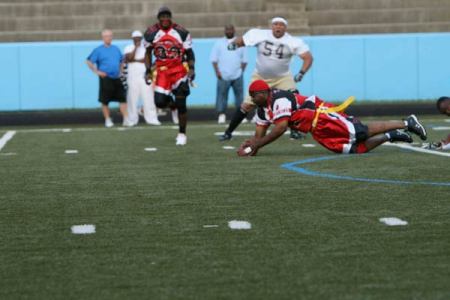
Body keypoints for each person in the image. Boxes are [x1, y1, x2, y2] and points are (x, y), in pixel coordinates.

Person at [237, 80, 428, 156]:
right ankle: (391, 135)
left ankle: (406, 122)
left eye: (259, 93)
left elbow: (280, 128)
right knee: (354, 149)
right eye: (255, 95)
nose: (256, 97)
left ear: (266, 92)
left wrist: (257, 145)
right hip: (315, 128)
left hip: (321, 116)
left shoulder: (279, 99)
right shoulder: (262, 109)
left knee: (361, 131)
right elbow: (259, 134)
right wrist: (251, 146)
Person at [219, 16, 313, 141]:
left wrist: (301, 72)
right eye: (276, 24)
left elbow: (308, 57)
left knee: (294, 100)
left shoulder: (292, 41)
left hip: (282, 77)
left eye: (281, 25)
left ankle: (295, 131)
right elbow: (243, 40)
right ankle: (228, 132)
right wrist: (235, 44)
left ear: (285, 27)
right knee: (246, 105)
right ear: (271, 26)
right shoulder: (260, 35)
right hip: (260, 77)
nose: (278, 27)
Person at [144, 6, 195, 145]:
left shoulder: (181, 32)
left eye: (167, 16)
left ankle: (182, 133)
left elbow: (190, 53)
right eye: (162, 16)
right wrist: (148, 70)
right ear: (158, 18)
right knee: (159, 102)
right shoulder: (151, 32)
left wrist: (192, 68)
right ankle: (173, 106)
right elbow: (148, 53)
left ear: (170, 17)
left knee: (182, 103)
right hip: (162, 71)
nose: (165, 19)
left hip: (179, 70)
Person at [86, 29, 130, 128]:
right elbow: (89, 61)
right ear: (103, 37)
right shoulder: (98, 50)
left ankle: (126, 119)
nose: (108, 38)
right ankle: (107, 119)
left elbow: (121, 60)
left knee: (122, 99)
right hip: (106, 78)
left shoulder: (116, 48)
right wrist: (97, 72)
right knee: (105, 100)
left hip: (117, 77)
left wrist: (121, 71)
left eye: (110, 36)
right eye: (106, 36)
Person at [210, 24, 248, 124]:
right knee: (221, 95)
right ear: (224, 31)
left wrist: (241, 72)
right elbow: (214, 59)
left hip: (237, 74)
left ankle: (241, 116)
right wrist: (217, 71)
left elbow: (244, 60)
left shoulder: (240, 42)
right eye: (227, 29)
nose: (229, 31)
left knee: (239, 96)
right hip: (223, 75)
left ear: (234, 30)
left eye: (231, 29)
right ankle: (221, 115)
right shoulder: (219, 43)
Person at [124, 30, 161, 126]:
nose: (137, 40)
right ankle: (132, 120)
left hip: (145, 76)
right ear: (132, 39)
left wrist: (135, 60)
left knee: (148, 98)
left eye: (139, 38)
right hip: (132, 77)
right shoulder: (128, 47)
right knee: (132, 99)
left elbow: (147, 60)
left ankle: (152, 119)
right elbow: (129, 58)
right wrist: (136, 49)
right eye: (135, 38)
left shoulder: (146, 48)